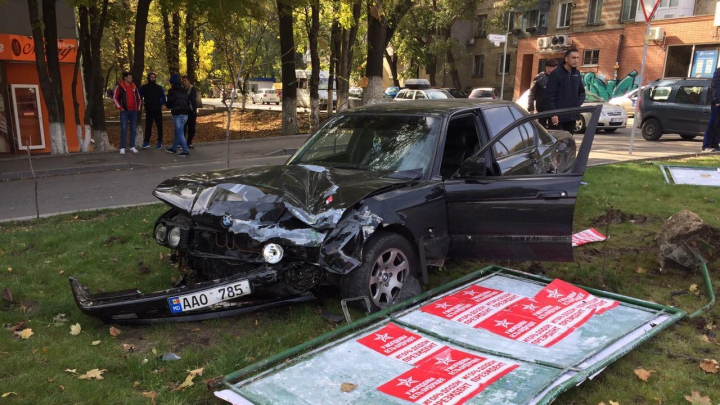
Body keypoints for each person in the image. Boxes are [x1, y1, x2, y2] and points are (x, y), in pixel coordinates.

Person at [546, 49, 586, 133]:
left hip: (572, 115)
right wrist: (553, 114)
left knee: (569, 142)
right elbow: (550, 96)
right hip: (558, 116)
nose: (576, 60)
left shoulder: (577, 73)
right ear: (566, 59)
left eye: (577, 58)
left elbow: (581, 92)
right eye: (573, 58)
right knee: (556, 142)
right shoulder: (556, 74)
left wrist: (577, 103)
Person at [113, 71, 142, 154]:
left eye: (131, 77)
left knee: (133, 129)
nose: (131, 79)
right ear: (125, 78)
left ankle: (132, 146)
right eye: (129, 77)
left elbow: (139, 98)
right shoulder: (120, 86)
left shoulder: (134, 87)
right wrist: (121, 108)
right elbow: (115, 98)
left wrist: (138, 108)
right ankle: (122, 147)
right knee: (124, 129)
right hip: (124, 111)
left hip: (133, 111)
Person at [527, 58, 559, 128]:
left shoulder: (557, 78)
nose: (555, 68)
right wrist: (531, 108)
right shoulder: (539, 78)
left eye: (556, 67)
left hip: (554, 109)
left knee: (554, 130)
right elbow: (531, 94)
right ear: (547, 67)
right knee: (542, 129)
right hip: (542, 109)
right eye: (553, 67)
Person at [165, 74, 191, 157]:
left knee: (180, 133)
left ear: (172, 82)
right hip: (185, 114)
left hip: (177, 114)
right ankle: (174, 148)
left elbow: (170, 102)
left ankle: (185, 150)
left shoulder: (171, 91)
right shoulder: (183, 89)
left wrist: (167, 105)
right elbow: (187, 101)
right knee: (178, 131)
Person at [140, 72, 166, 149]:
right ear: (148, 78)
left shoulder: (159, 88)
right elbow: (139, 97)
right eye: (151, 77)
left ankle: (160, 141)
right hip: (149, 110)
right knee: (148, 126)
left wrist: (159, 104)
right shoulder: (144, 87)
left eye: (154, 77)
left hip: (157, 110)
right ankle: (146, 142)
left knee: (159, 126)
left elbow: (164, 99)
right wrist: (142, 104)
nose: (153, 79)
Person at [701, 66, 720, 152]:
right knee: (713, 124)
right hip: (718, 103)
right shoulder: (719, 71)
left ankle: (715, 145)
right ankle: (706, 146)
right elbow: (715, 86)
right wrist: (718, 100)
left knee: (718, 125)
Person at [182, 75, 198, 148]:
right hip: (184, 111)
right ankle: (183, 142)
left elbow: (192, 99)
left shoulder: (192, 89)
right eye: (183, 81)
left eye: (185, 81)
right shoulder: (182, 89)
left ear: (189, 81)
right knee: (183, 128)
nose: (184, 82)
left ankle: (189, 142)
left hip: (191, 111)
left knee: (191, 128)